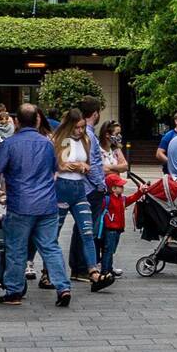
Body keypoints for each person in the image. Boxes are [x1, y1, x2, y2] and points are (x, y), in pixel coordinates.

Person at [0, 103, 73, 307]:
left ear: (16, 121)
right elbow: (56, 169)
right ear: (36, 120)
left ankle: (14, 291)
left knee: (16, 248)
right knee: (50, 247)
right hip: (46, 204)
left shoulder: (9, 144)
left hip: (20, 204)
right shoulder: (47, 143)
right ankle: (63, 287)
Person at [51, 109, 113, 292]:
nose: (80, 130)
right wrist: (78, 166)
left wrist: (79, 168)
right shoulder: (61, 140)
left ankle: (93, 271)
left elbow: (87, 165)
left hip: (79, 189)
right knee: (54, 231)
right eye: (77, 127)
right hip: (62, 188)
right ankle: (49, 271)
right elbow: (60, 164)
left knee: (87, 231)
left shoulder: (86, 140)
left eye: (82, 127)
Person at [70, 97, 108, 281]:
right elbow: (91, 163)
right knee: (86, 229)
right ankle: (82, 267)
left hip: (84, 187)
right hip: (91, 188)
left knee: (81, 228)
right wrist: (100, 185)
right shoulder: (90, 135)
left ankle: (78, 266)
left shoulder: (84, 133)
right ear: (95, 113)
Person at [98, 172, 145, 277]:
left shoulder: (121, 199)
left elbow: (130, 199)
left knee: (111, 250)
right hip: (110, 229)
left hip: (118, 229)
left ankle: (109, 268)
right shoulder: (107, 199)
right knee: (108, 250)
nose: (123, 187)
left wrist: (140, 192)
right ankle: (105, 270)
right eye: (121, 186)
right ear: (113, 188)